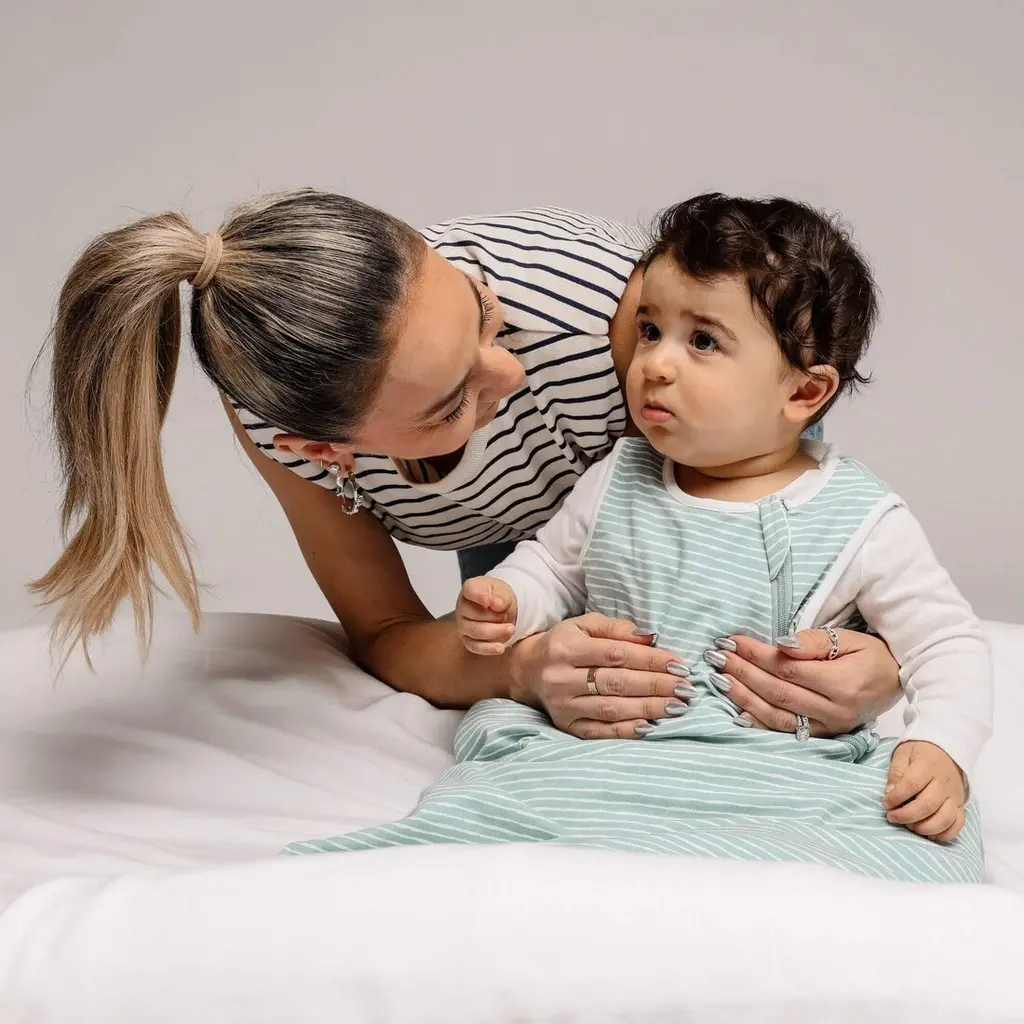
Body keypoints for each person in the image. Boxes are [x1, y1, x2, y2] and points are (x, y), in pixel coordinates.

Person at [283, 194, 991, 883]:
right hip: (610, 743)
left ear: (804, 394)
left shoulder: (857, 515)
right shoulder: (618, 475)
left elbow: (945, 642)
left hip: (764, 759)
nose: (653, 363)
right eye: (650, 330)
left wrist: (942, 747)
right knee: (490, 807)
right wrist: (509, 600)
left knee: (895, 845)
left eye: (703, 341)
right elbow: (551, 566)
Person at [34, 190, 901, 743]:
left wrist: (880, 656)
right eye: (452, 403)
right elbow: (388, 633)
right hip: (525, 558)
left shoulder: (607, 316)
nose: (510, 374)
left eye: (483, 314)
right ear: (323, 449)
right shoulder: (281, 422)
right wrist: (518, 668)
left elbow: (774, 472)